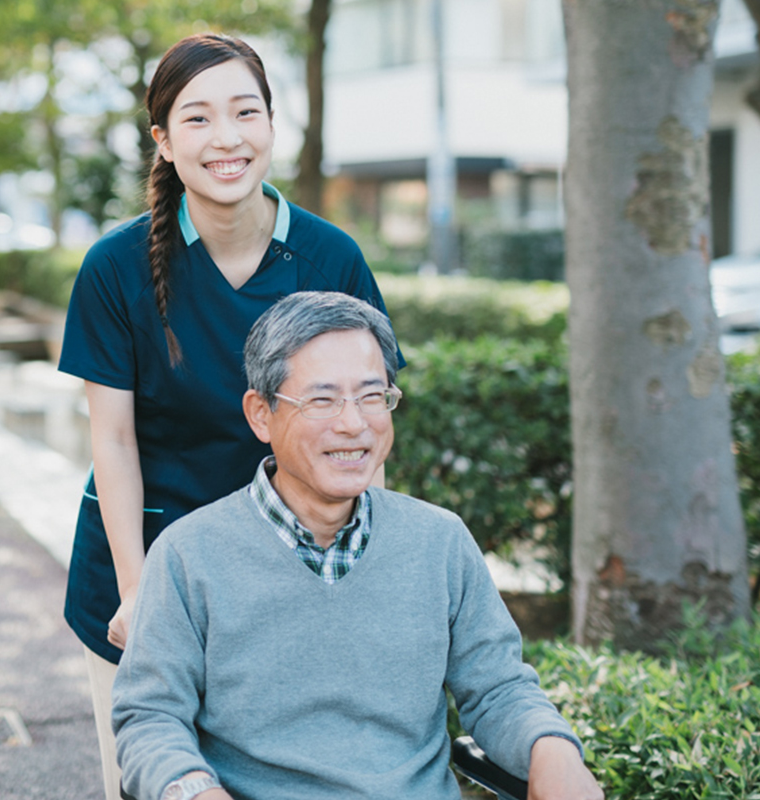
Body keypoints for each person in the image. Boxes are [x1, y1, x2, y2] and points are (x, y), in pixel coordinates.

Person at [56, 34, 401, 800]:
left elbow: (363, 425)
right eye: (199, 118)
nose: (227, 138)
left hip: (286, 572)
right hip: (142, 560)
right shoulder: (115, 268)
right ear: (164, 141)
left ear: (273, 125)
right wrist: (138, 592)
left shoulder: (329, 257)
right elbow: (111, 439)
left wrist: (361, 573)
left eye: (246, 112)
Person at [112, 292, 604, 800]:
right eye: (322, 400)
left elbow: (499, 690)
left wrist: (554, 752)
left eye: (372, 396)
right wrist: (192, 791)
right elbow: (150, 717)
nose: (353, 423)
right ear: (261, 414)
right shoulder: (190, 555)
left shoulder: (439, 542)